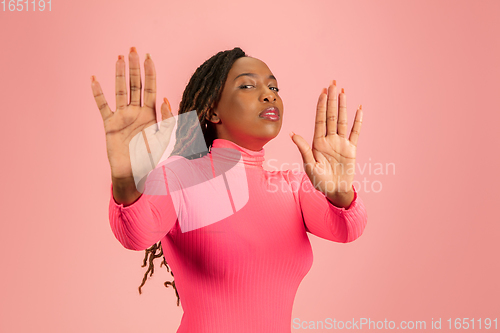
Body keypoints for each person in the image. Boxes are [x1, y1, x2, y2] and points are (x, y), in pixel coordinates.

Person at [91, 46, 367, 333]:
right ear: (212, 110)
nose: (269, 94)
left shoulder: (293, 186)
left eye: (273, 86)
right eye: (247, 85)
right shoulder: (181, 177)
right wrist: (126, 177)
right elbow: (135, 233)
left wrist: (340, 192)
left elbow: (347, 230)